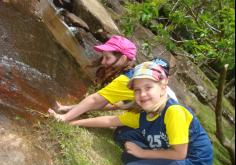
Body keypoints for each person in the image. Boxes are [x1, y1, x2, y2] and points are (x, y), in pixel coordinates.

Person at [69, 61, 213, 165]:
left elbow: (180, 154)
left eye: (148, 87)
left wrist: (142, 153)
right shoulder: (145, 112)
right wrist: (74, 122)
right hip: (170, 147)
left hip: (193, 163)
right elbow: (111, 120)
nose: (142, 94)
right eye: (137, 90)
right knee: (123, 137)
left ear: (163, 87)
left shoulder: (174, 112)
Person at [48, 35, 178, 122]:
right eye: (103, 57)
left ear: (122, 58)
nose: (103, 62)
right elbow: (114, 104)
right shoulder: (138, 74)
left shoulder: (127, 80)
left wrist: (64, 118)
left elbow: (94, 100)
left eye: (107, 58)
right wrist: (69, 107)